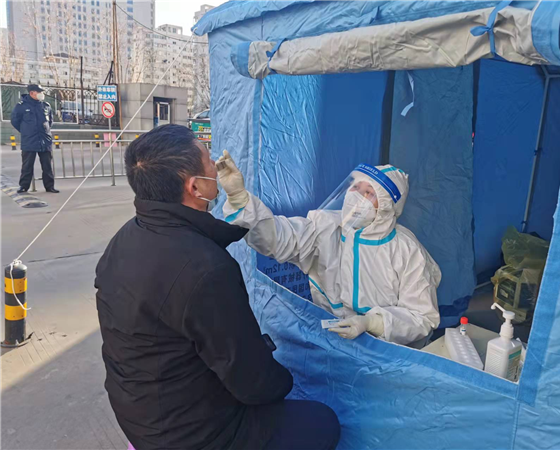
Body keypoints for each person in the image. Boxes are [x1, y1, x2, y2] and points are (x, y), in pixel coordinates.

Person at [95, 125, 340, 450]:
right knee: (322, 422)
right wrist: (285, 382)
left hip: (139, 412)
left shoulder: (127, 237)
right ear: (195, 186)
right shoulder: (205, 269)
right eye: (209, 160)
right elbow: (254, 383)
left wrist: (239, 199)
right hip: (189, 436)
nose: (216, 166)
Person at [217, 151, 442, 347]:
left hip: (391, 354)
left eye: (368, 193)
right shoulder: (327, 228)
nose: (356, 196)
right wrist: (239, 199)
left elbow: (422, 317)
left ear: (386, 207)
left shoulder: (407, 250)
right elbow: (279, 237)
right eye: (356, 187)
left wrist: (371, 322)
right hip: (335, 343)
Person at [10, 84, 59, 194]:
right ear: (32, 93)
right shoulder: (21, 106)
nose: (42, 94)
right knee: (27, 165)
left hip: (44, 140)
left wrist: (45, 131)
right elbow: (15, 121)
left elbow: (50, 121)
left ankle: (49, 186)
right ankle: (24, 186)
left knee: (47, 165)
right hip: (29, 140)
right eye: (39, 92)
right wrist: (26, 131)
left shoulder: (46, 106)